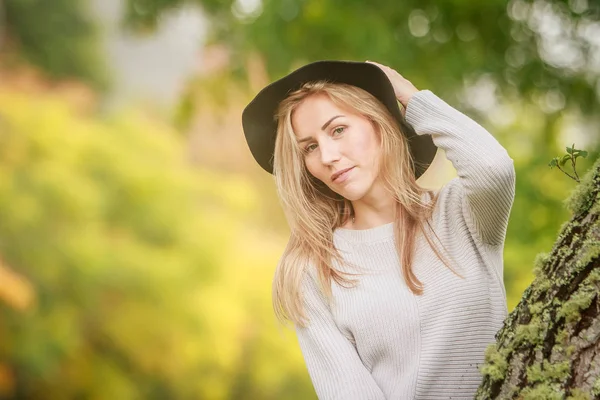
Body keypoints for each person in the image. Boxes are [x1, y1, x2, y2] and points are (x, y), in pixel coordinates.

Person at [242, 60, 515, 399]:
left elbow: (494, 167)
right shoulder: (314, 269)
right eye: (309, 147)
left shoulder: (461, 213)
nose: (326, 156)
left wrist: (409, 95)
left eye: (338, 129)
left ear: (380, 124)